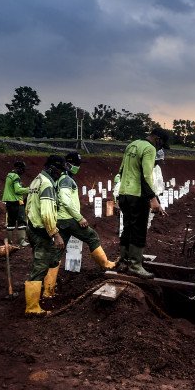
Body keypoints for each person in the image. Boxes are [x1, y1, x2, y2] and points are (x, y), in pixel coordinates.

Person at [45, 152, 115, 299]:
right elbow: (65, 199)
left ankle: (48, 290)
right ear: (69, 164)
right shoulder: (66, 179)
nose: (78, 167)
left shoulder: (60, 178)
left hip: (60, 220)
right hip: (69, 219)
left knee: (57, 252)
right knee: (92, 236)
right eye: (76, 165)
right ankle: (106, 264)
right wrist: (79, 217)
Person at [115, 127, 170, 278]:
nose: (159, 148)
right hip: (138, 195)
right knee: (138, 230)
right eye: (161, 144)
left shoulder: (132, 145)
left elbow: (121, 170)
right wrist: (152, 199)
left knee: (127, 228)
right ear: (158, 139)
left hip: (124, 193)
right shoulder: (149, 148)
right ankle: (135, 265)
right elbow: (146, 176)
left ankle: (124, 262)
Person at [23, 155, 67, 316]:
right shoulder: (47, 184)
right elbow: (47, 212)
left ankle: (45, 291)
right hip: (42, 231)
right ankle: (32, 307)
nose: (61, 173)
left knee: (44, 261)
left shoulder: (36, 180)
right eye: (60, 170)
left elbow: (28, 202)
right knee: (40, 265)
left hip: (33, 228)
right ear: (52, 168)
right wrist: (55, 234)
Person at [1, 160, 31, 247]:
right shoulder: (16, 177)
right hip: (16, 202)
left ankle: (9, 242)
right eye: (23, 169)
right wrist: (29, 189)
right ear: (20, 169)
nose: (24, 171)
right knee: (22, 221)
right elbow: (17, 190)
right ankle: (21, 241)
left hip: (9, 203)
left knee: (11, 222)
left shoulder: (9, 175)